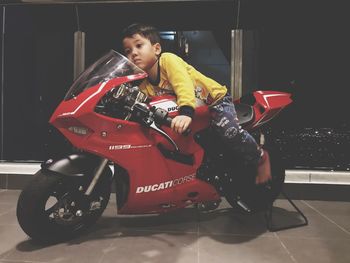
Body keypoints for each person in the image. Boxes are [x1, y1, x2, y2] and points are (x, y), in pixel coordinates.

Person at [121, 23, 271, 184]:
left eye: (139, 45)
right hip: (196, 109)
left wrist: (186, 113)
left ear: (156, 49)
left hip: (215, 101)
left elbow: (183, 85)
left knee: (229, 131)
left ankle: (260, 157)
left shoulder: (167, 60)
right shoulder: (145, 84)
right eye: (128, 51)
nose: (134, 53)